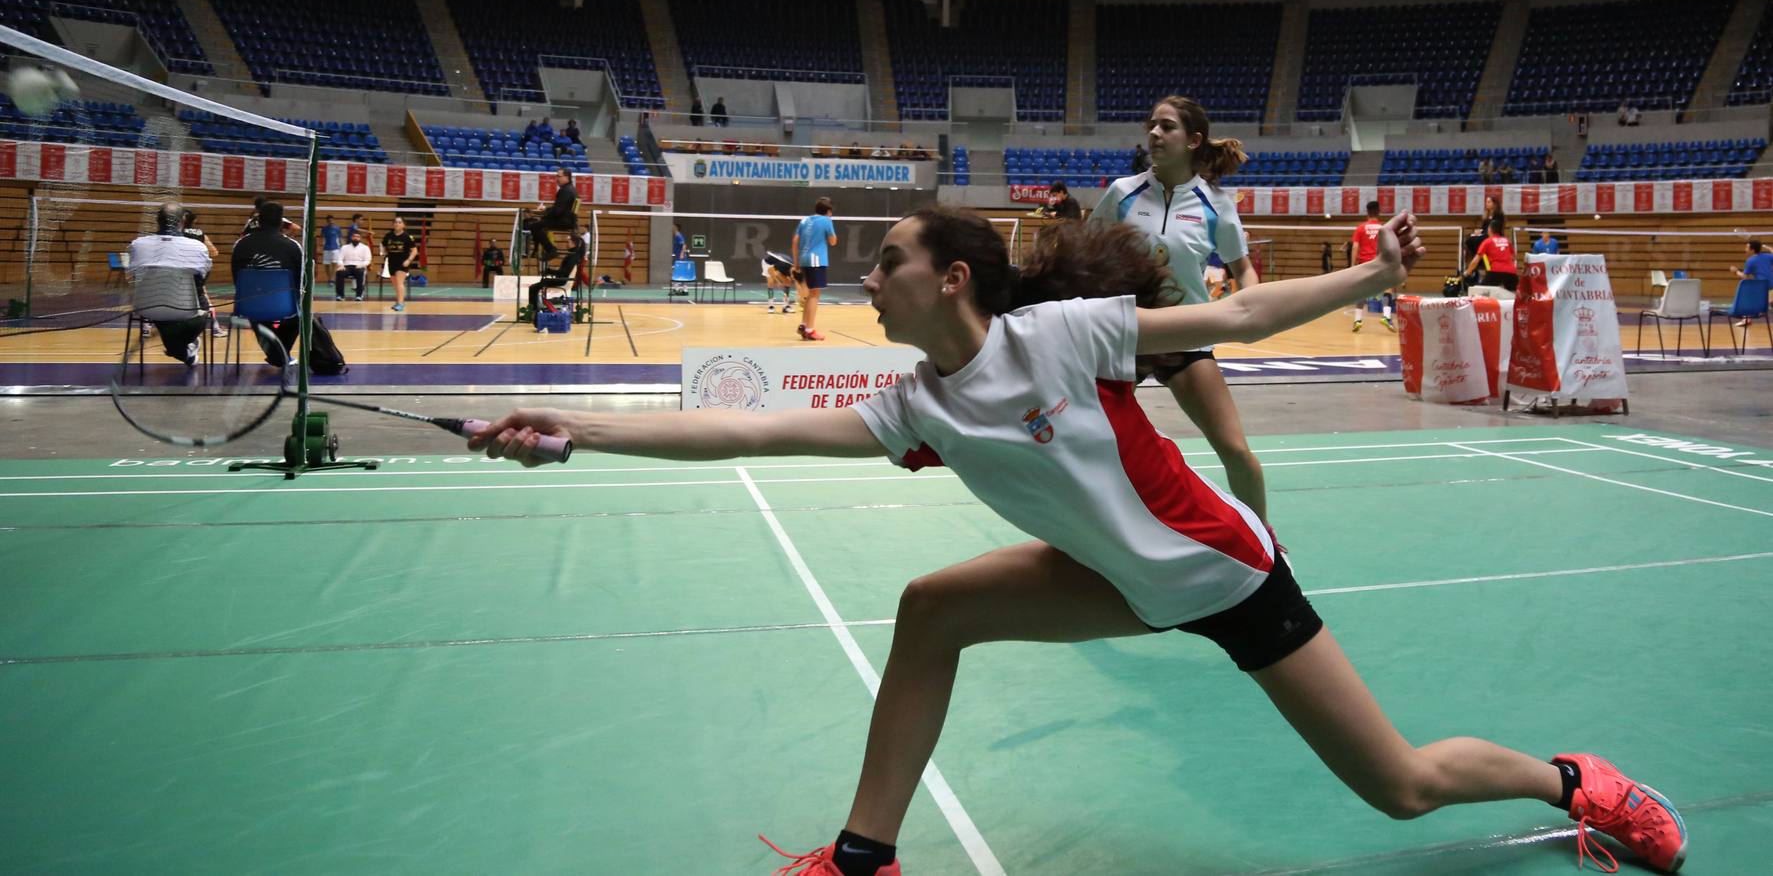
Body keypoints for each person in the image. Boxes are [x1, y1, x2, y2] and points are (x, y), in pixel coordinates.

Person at [468, 207, 1688, 876]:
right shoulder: (914, 406)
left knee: (1402, 789)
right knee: (930, 607)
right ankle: (862, 857)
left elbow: (1242, 311)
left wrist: (1367, 273)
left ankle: (1576, 782)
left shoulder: (1057, 336)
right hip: (1110, 580)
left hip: (1226, 575)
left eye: (887, 259)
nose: (866, 272)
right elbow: (746, 431)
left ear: (951, 279)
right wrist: (568, 429)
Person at [1088, 95, 1268, 521]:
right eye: (1152, 125)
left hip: (1188, 337)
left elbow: (1243, 270)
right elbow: (1085, 255)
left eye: (1167, 127)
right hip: (1127, 335)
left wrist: (1250, 310)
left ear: (1193, 140)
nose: (1154, 133)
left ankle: (1268, 549)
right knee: (1091, 446)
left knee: (1236, 451)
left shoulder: (1215, 204)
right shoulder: (1122, 194)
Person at [129, 202, 211, 367]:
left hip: (147, 309)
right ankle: (183, 347)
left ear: (157, 221)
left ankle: (181, 350)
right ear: (183, 221)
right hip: (186, 309)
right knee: (201, 310)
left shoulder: (137, 245)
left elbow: (134, 274)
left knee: (166, 313)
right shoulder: (198, 247)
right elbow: (202, 278)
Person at [232, 201, 306, 365]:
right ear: (281, 222)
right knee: (298, 317)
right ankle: (279, 354)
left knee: (256, 314)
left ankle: (277, 354)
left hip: (248, 304)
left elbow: (237, 279)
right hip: (284, 304)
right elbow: (300, 282)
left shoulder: (241, 244)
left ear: (259, 220)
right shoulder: (293, 246)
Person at [791, 196, 837, 341]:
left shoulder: (805, 220)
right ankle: (810, 330)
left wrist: (796, 262)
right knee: (814, 294)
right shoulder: (826, 221)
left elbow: (795, 241)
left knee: (810, 294)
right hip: (816, 260)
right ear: (829, 211)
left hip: (804, 259)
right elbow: (833, 241)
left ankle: (804, 325)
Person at [1348, 201, 1393, 332]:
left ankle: (1357, 319)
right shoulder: (1384, 228)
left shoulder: (1361, 228)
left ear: (1367, 212)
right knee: (1388, 288)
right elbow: (1388, 247)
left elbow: (1355, 246)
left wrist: (1352, 265)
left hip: (1364, 264)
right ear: (1379, 212)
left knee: (1362, 291)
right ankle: (1386, 316)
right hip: (1379, 262)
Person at [180, 209, 225, 337]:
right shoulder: (201, 235)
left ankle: (146, 327)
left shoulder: (175, 234)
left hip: (177, 273)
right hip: (195, 272)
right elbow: (214, 252)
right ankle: (215, 328)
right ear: (194, 221)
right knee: (203, 297)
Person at [525, 168, 579, 262]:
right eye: (556, 176)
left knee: (534, 226)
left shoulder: (566, 191)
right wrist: (546, 210)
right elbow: (558, 208)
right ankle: (537, 250)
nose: (556, 178)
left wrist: (544, 213)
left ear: (566, 177)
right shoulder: (569, 189)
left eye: (559, 176)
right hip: (567, 219)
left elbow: (558, 211)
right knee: (539, 224)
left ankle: (551, 250)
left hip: (564, 221)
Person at [528, 232, 585, 319]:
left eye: (568, 242)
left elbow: (564, 272)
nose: (566, 244)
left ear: (574, 244)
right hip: (563, 279)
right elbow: (562, 272)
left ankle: (534, 312)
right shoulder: (573, 256)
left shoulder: (573, 257)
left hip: (563, 281)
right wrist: (550, 271)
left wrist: (549, 271)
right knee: (537, 285)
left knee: (533, 288)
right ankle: (536, 310)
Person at [1463, 220, 1519, 293]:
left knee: (1480, 294)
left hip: (1495, 272)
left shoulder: (1487, 242)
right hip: (1511, 273)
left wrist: (1468, 272)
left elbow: (1475, 261)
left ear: (1490, 229)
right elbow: (1513, 257)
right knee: (1514, 296)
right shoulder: (1506, 241)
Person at [1730, 239, 1773, 327]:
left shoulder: (1751, 261)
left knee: (1747, 299)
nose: (1745, 249)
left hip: (1761, 287)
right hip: (1771, 285)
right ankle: (1747, 318)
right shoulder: (1768, 256)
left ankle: (1746, 319)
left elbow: (1745, 276)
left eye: (1747, 247)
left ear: (1752, 250)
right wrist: (1769, 248)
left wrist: (1736, 271)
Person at [381, 215, 417, 312]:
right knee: (395, 284)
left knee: (400, 282)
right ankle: (398, 302)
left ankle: (400, 304)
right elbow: (383, 245)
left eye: (399, 222)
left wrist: (408, 260)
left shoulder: (407, 237)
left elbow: (414, 251)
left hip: (402, 263)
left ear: (404, 225)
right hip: (391, 262)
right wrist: (383, 252)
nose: (397, 224)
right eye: (395, 222)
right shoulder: (388, 236)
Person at [335, 228, 371, 301]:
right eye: (354, 236)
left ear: (360, 238)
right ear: (351, 237)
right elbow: (339, 258)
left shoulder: (365, 248)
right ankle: (340, 295)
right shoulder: (345, 247)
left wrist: (361, 265)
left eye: (357, 237)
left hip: (359, 266)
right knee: (339, 272)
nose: (356, 238)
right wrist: (341, 265)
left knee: (360, 272)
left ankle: (359, 295)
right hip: (347, 267)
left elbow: (368, 260)